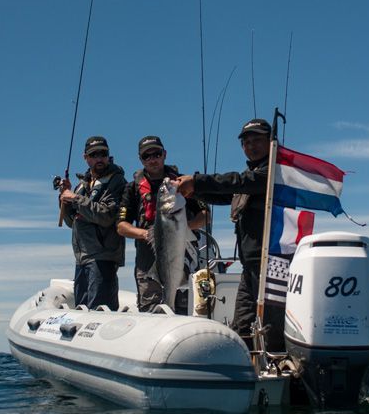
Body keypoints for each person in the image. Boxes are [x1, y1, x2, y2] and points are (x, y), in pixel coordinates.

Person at [176, 118, 284, 351]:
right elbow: (227, 193)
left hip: (271, 263)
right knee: (242, 325)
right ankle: (247, 371)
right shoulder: (252, 175)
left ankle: (282, 372)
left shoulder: (275, 172)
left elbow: (239, 182)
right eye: (246, 142)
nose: (251, 145)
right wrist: (194, 191)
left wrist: (198, 180)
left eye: (257, 140)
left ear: (272, 142)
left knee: (271, 325)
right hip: (250, 265)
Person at [116, 135, 207, 313]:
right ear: (140, 159)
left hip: (184, 256)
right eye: (146, 156)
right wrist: (146, 234)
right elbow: (121, 225)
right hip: (147, 261)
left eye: (156, 154)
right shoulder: (132, 188)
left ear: (164, 154)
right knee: (150, 310)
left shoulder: (182, 181)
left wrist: (185, 228)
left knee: (184, 308)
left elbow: (205, 214)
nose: (152, 159)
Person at [59, 136, 125, 311]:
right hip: (82, 257)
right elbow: (71, 221)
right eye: (94, 155)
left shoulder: (116, 181)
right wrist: (63, 200)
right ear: (86, 158)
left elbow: (107, 216)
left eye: (103, 154)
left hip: (103, 256)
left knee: (100, 312)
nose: (99, 158)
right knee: (82, 311)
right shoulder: (82, 185)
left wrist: (75, 199)